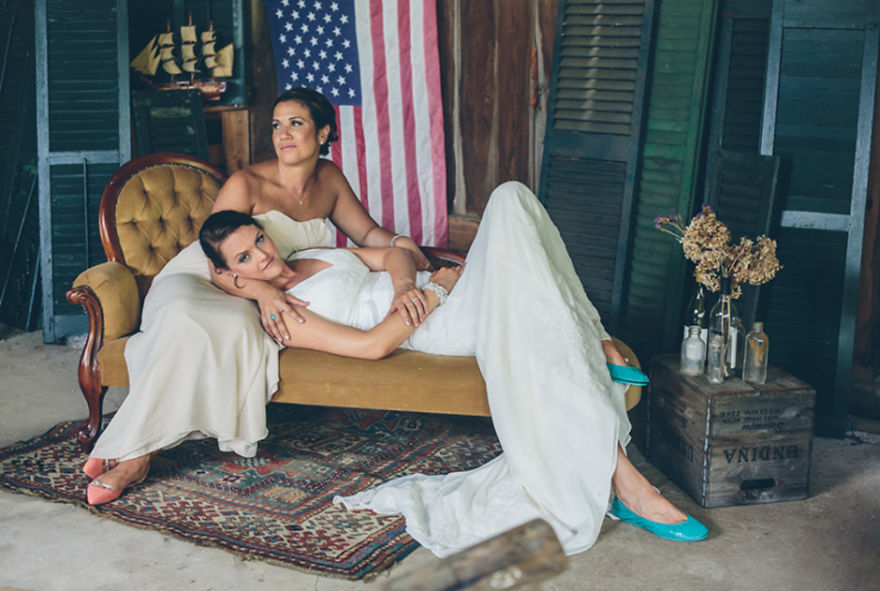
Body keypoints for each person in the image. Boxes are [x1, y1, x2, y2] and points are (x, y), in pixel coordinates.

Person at [194, 181, 709, 555]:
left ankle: (593, 340)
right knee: (529, 284)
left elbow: (392, 255)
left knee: (513, 199)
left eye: (257, 240)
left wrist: (407, 285)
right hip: (433, 323)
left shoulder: (309, 252)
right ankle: (625, 476)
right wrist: (436, 291)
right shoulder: (285, 316)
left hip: (423, 295)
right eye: (243, 260)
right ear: (230, 274)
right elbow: (373, 346)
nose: (260, 257)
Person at [83, 88, 430, 499]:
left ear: (323, 134)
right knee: (187, 324)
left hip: (256, 292)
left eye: (295, 124)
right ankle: (136, 457)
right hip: (208, 278)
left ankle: (130, 441)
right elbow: (215, 260)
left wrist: (403, 247)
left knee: (239, 333)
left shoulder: (330, 179)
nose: (283, 134)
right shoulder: (246, 183)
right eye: (276, 125)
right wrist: (262, 291)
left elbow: (367, 233)